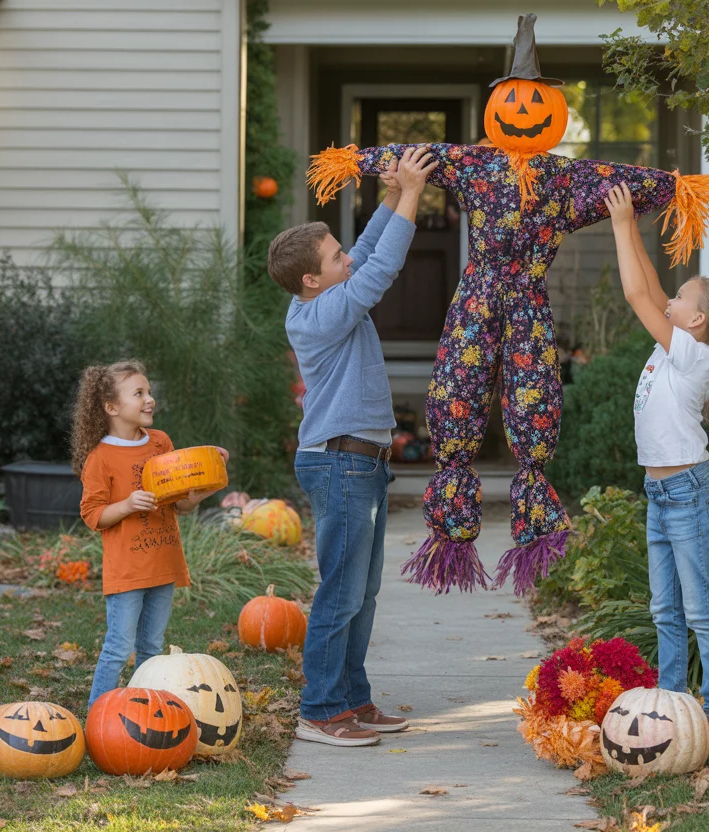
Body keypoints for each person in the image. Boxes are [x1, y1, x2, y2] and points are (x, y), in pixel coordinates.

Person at [268, 146, 437, 747]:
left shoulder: (328, 292)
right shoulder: (318, 314)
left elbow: (363, 251)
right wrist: (414, 195)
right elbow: (378, 268)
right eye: (334, 257)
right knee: (340, 591)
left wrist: (391, 193)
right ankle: (318, 710)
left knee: (361, 593)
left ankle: (351, 700)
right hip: (338, 462)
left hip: (360, 461)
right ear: (312, 278)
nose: (347, 257)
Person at [604, 183, 709, 730]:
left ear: (695, 322)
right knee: (665, 610)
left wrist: (621, 224)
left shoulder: (693, 356)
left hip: (687, 491)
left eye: (682, 299)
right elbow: (652, 288)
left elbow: (638, 297)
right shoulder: (686, 341)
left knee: (699, 612)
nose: (672, 299)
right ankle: (671, 706)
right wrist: (637, 233)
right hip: (662, 492)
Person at [72, 360, 227, 711]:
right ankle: (99, 714)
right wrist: (126, 504)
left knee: (152, 648)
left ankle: (140, 712)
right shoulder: (100, 458)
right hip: (127, 571)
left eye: (149, 391)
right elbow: (92, 515)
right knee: (118, 646)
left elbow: (178, 506)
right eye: (138, 393)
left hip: (163, 563)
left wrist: (197, 493)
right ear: (112, 408)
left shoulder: (160, 443)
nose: (149, 399)